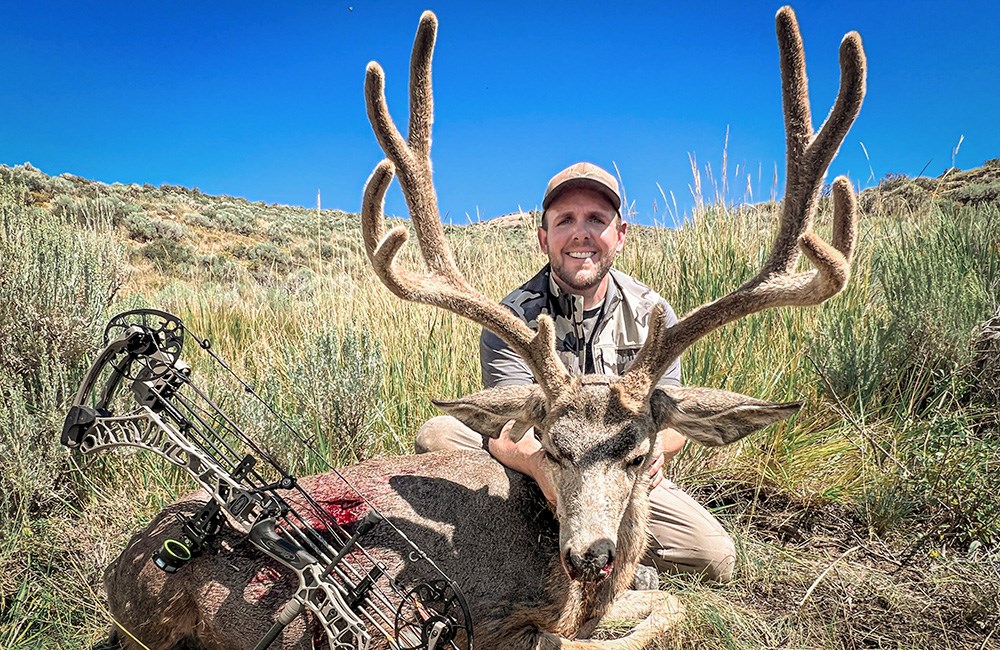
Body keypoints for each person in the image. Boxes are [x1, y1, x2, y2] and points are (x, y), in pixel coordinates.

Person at [416, 162, 736, 583]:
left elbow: (671, 413)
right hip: (541, 463)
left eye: (596, 220)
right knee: (440, 433)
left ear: (619, 236)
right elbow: (511, 428)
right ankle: (518, 540)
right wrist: (553, 475)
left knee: (714, 557)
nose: (581, 233)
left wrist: (654, 453)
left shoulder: (650, 315)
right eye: (565, 220)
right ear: (544, 237)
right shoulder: (511, 318)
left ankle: (608, 559)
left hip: (622, 475)